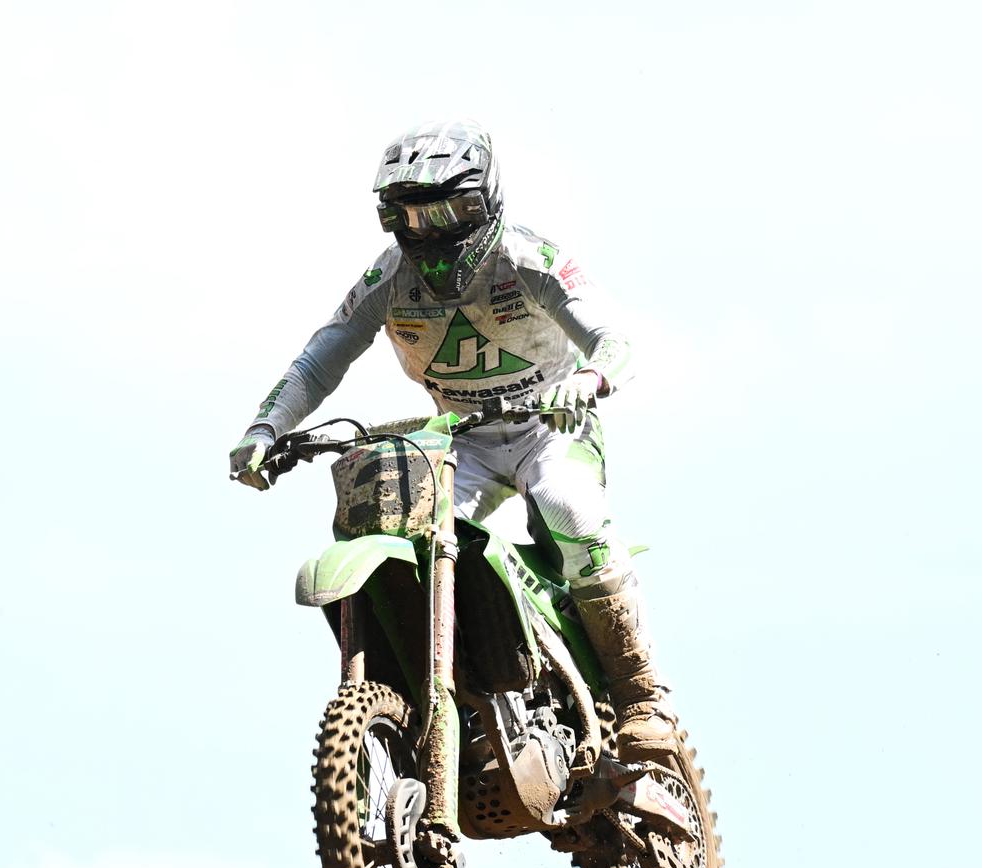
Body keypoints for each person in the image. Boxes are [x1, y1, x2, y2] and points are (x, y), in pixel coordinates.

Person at [227, 118, 677, 762]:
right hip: (458, 439)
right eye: (410, 217)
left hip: (551, 427)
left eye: (447, 211)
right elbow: (317, 360)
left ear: (483, 202)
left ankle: (641, 698)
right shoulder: (387, 280)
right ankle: (444, 693)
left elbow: (616, 337)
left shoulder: (530, 260)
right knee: (404, 532)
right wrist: (266, 429)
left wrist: (589, 376)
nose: (430, 232)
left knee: (570, 508)